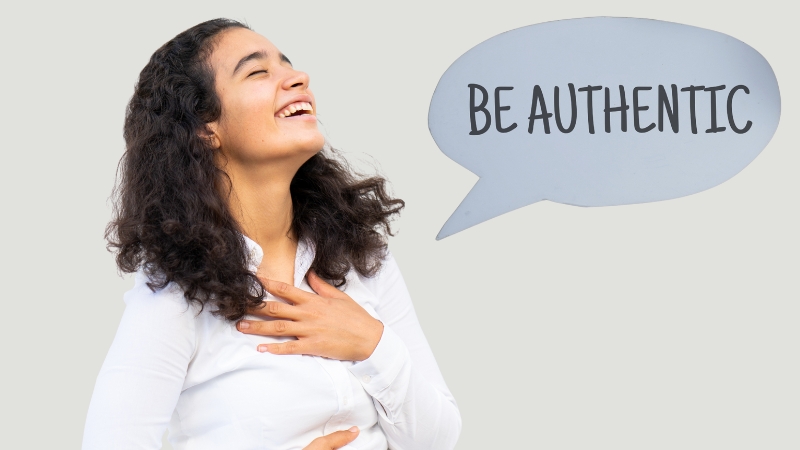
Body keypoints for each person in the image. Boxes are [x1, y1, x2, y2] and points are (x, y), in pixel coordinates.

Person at [82, 18, 461, 450]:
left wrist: (371, 343)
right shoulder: (175, 295)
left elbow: (438, 439)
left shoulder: (358, 257)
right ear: (205, 128)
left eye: (288, 64)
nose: (298, 77)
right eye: (257, 71)